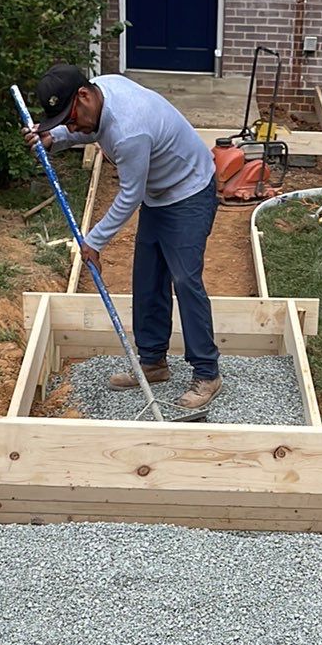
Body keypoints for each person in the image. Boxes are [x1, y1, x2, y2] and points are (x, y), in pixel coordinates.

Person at [28, 65, 223, 416]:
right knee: (148, 279)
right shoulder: (100, 93)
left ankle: (207, 374)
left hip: (191, 191)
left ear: (84, 96)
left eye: (69, 118)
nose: (70, 126)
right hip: (159, 193)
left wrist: (94, 240)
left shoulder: (130, 130)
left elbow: (129, 195)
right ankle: (153, 363)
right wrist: (55, 138)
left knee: (185, 280)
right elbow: (90, 130)